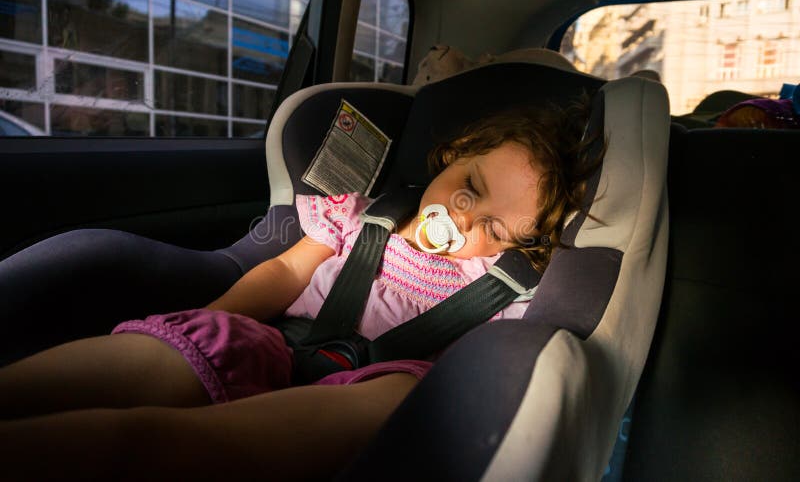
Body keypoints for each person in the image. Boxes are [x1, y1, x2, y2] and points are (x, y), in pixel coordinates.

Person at [0, 98, 602, 480]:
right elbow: (285, 273)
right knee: (213, 338)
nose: (465, 218)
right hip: (275, 342)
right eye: (471, 185)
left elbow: (486, 367)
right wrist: (213, 314)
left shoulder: (494, 286)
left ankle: (188, 442)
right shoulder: (358, 216)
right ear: (455, 155)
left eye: (493, 228)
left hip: (373, 386)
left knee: (402, 394)